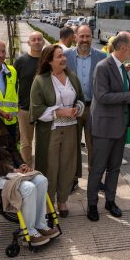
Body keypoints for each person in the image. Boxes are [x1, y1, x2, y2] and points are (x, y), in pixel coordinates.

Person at [0, 87, 59, 245]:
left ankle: (40, 224)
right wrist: (10, 169)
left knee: (41, 180)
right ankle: (29, 232)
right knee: (27, 188)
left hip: (9, 171)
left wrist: (22, 164)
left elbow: (12, 148)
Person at [86, 32, 130, 222]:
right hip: (104, 127)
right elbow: (102, 96)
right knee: (98, 168)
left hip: (119, 126)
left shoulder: (121, 67)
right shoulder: (103, 67)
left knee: (115, 168)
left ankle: (110, 201)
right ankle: (92, 205)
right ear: (123, 47)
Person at [30, 45, 84, 217]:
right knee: (50, 167)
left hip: (70, 128)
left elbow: (80, 99)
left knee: (67, 166)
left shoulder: (72, 77)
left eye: (63, 56)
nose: (63, 59)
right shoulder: (40, 80)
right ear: (49, 61)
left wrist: (77, 109)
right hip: (51, 130)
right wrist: (60, 112)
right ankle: (48, 203)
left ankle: (62, 200)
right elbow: (36, 110)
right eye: (59, 57)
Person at [65, 25, 107, 192]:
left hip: (93, 108)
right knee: (72, 146)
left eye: (88, 36)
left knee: (94, 147)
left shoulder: (101, 56)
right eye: (81, 36)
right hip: (72, 109)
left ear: (92, 37)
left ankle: (95, 179)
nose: (84, 40)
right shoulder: (66, 56)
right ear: (75, 37)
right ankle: (73, 179)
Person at [13, 31, 46, 165]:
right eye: (34, 39)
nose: (37, 42)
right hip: (25, 108)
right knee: (26, 143)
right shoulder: (21, 61)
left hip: (45, 109)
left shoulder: (48, 61)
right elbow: (13, 84)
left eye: (39, 39)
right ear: (28, 43)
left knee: (43, 142)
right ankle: (27, 169)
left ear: (43, 42)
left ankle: (42, 169)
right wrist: (15, 105)